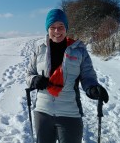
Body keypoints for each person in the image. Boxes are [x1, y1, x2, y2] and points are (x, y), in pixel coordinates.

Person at [26, 8, 109, 143]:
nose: (57, 31)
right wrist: (34, 80)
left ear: (66, 28)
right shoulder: (39, 49)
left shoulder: (79, 50)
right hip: (42, 112)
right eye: (52, 27)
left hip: (70, 112)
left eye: (61, 27)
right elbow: (29, 75)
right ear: (47, 29)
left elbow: (88, 77)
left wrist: (92, 88)